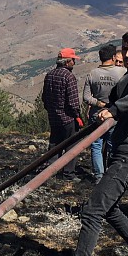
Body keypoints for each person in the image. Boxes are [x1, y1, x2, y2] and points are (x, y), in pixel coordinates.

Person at [39, 28, 128, 256]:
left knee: (93, 209)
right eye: (126, 48)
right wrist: (104, 110)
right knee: (109, 209)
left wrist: (115, 109)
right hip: (123, 151)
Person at [82, 44, 126, 183]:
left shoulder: (92, 74)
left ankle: (98, 176)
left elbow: (86, 97)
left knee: (96, 145)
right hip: (115, 115)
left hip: (97, 115)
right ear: (113, 57)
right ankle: (112, 176)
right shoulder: (122, 73)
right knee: (113, 145)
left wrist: (99, 104)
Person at [42, 48, 83, 180]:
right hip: (68, 118)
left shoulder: (49, 75)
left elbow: (44, 97)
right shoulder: (69, 77)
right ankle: (68, 173)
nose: (74, 63)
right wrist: (77, 116)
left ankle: (51, 171)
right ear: (66, 62)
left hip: (53, 116)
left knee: (54, 144)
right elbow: (73, 101)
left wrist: (51, 110)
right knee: (72, 146)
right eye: (72, 60)